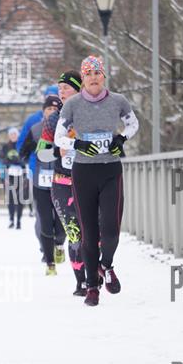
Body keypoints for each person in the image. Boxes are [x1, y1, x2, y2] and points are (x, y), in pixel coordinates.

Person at [55, 55, 139, 306]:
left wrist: (121, 139)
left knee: (111, 230)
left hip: (110, 170)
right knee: (89, 233)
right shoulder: (72, 105)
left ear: (104, 76)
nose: (93, 77)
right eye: (88, 74)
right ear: (83, 79)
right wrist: (77, 144)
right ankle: (92, 286)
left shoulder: (118, 101)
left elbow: (133, 124)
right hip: (83, 172)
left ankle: (107, 265)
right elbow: (59, 137)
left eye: (97, 73)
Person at [37, 70, 87, 294]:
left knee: (93, 233)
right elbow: (41, 154)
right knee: (74, 233)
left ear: (78, 89)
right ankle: (81, 281)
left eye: (66, 87)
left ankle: (95, 274)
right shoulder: (53, 119)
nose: (61, 92)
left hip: (90, 181)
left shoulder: (92, 114)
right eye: (59, 88)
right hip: (63, 183)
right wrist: (59, 151)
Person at [20, 93, 66, 275]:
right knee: (45, 222)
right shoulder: (36, 129)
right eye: (49, 109)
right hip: (41, 182)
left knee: (61, 223)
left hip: (62, 180)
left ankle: (59, 244)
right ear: (43, 111)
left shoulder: (67, 128)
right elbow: (23, 151)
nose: (52, 112)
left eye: (55, 109)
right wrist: (31, 156)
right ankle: (50, 263)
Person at [1, 127, 25, 229]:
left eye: (14, 134)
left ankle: (18, 220)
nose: (13, 136)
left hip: (20, 175)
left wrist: (19, 161)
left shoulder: (21, 146)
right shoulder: (6, 146)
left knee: (20, 199)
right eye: (11, 134)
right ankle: (11, 219)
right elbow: (2, 159)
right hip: (9, 175)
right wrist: (10, 162)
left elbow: (25, 159)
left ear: (17, 135)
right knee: (11, 199)